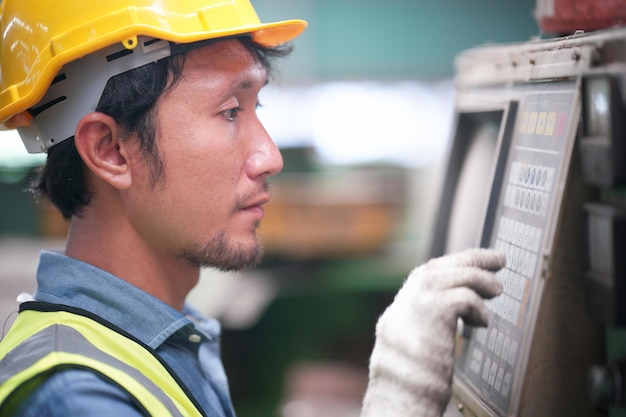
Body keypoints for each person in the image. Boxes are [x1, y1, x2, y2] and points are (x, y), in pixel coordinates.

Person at [0, 1, 506, 416]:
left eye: (255, 108)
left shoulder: (164, 336)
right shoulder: (78, 398)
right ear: (110, 150)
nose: (270, 157)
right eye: (228, 112)